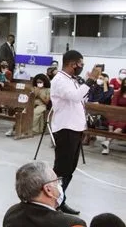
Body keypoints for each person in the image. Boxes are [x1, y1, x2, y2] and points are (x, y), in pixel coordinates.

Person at [50, 50, 101, 215]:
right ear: (72, 64)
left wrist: (87, 84)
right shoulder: (59, 80)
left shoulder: (71, 79)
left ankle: (60, 200)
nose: (82, 67)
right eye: (80, 64)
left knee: (70, 169)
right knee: (61, 169)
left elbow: (81, 98)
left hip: (75, 128)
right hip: (65, 129)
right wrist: (90, 79)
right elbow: (75, 96)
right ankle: (51, 201)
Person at [2, 161, 87, 227]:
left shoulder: (12, 214)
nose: (59, 185)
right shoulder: (73, 224)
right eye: (56, 181)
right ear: (48, 190)